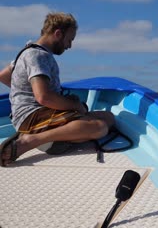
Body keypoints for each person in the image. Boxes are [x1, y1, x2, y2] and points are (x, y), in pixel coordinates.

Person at [0, 12, 115, 166]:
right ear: (58, 34)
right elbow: (43, 97)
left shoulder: (27, 52)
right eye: (69, 39)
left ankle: (53, 136)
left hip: (42, 115)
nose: (70, 45)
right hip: (32, 117)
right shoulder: (38, 56)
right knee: (99, 127)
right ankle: (32, 140)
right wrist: (74, 106)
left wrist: (24, 92)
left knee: (109, 117)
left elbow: (4, 75)